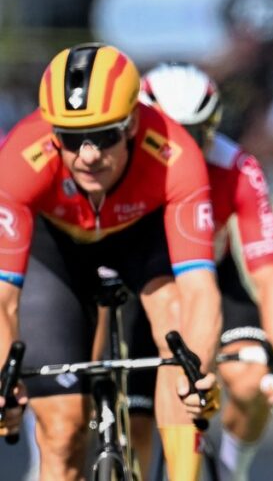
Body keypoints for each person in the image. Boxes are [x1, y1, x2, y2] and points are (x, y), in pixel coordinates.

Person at [0, 43, 220, 480]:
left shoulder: (175, 154)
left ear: (133, 123)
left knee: (177, 333)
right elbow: (3, 298)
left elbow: (200, 290)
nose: (87, 155)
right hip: (56, 254)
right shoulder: (20, 158)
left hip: (141, 241)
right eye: (70, 139)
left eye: (104, 136)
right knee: (62, 433)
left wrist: (198, 375)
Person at [119, 62, 273, 480]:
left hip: (213, 280)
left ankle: (232, 469)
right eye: (170, 136)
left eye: (197, 135)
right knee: (136, 423)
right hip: (139, 287)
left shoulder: (237, 167)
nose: (184, 150)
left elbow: (269, 276)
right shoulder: (120, 164)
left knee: (253, 378)